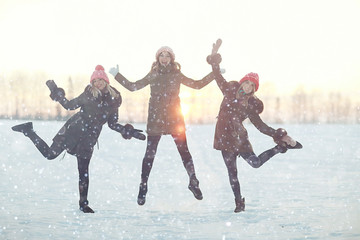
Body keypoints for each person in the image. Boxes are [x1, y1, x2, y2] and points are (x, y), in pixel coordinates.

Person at [11, 65, 145, 213]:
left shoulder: (114, 99)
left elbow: (112, 124)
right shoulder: (88, 94)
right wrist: (56, 92)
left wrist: (128, 132)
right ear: (92, 83)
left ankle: (83, 204)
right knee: (50, 154)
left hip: (90, 137)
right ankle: (29, 131)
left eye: (101, 80)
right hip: (74, 130)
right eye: (95, 81)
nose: (98, 83)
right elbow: (69, 106)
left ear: (106, 81)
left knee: (83, 171)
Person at [109, 46, 215, 205]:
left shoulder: (176, 74)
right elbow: (133, 86)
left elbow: (197, 84)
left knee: (184, 151)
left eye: (167, 56)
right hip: (156, 119)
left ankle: (193, 181)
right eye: (161, 56)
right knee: (149, 154)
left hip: (175, 118)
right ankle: (143, 185)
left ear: (172, 59)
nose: (164, 58)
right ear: (157, 58)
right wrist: (117, 75)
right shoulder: (153, 74)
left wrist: (215, 74)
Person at [206, 39, 302, 213]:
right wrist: (214, 56)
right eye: (247, 82)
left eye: (252, 85)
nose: (248, 86)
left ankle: (279, 149)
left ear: (254, 89)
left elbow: (261, 126)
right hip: (224, 139)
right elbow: (217, 75)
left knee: (256, 163)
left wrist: (279, 135)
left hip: (240, 139)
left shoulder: (250, 106)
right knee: (232, 174)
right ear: (242, 82)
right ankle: (238, 203)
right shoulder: (228, 90)